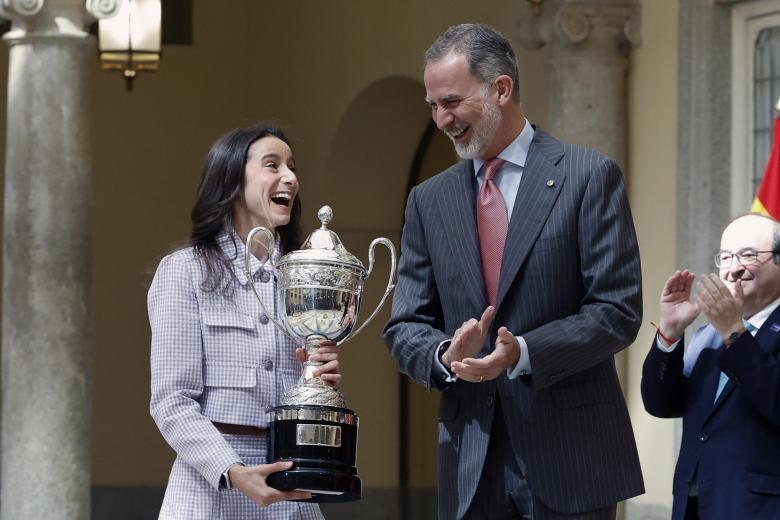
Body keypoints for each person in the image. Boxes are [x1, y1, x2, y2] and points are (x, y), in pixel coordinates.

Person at [383, 23, 644, 520]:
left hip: (571, 457)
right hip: (470, 460)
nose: (441, 119)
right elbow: (404, 325)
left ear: (501, 89)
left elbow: (616, 311)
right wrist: (443, 354)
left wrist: (522, 353)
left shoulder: (588, 177)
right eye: (432, 106)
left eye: (452, 102)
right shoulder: (428, 200)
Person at [148, 124, 340, 519]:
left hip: (293, 492)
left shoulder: (300, 277)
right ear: (233, 181)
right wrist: (234, 471)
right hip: (210, 491)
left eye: (292, 166)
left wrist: (318, 381)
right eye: (273, 165)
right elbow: (171, 401)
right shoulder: (185, 272)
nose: (290, 177)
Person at [641, 213, 780, 520]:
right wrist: (670, 333)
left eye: (748, 255)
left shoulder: (727, 331)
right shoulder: (707, 335)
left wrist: (734, 332)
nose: (733, 268)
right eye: (726, 257)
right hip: (696, 503)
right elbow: (661, 404)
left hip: (760, 507)